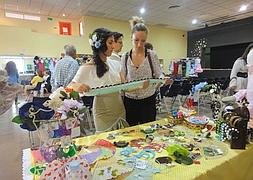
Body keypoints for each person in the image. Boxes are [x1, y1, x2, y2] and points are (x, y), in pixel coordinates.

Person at [70, 28, 128, 133]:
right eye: (110, 43)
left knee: (122, 141)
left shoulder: (115, 64)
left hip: (119, 108)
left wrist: (142, 85)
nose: (113, 46)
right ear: (100, 44)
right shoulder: (88, 66)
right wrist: (78, 86)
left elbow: (125, 86)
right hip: (103, 113)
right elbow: (71, 86)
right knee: (105, 145)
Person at [120, 16, 172, 126]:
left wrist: (163, 79)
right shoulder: (124, 56)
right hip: (130, 101)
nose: (139, 44)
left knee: (148, 130)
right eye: (136, 40)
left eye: (143, 41)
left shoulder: (151, 55)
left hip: (148, 100)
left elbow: (158, 73)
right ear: (131, 38)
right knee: (131, 131)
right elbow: (123, 79)